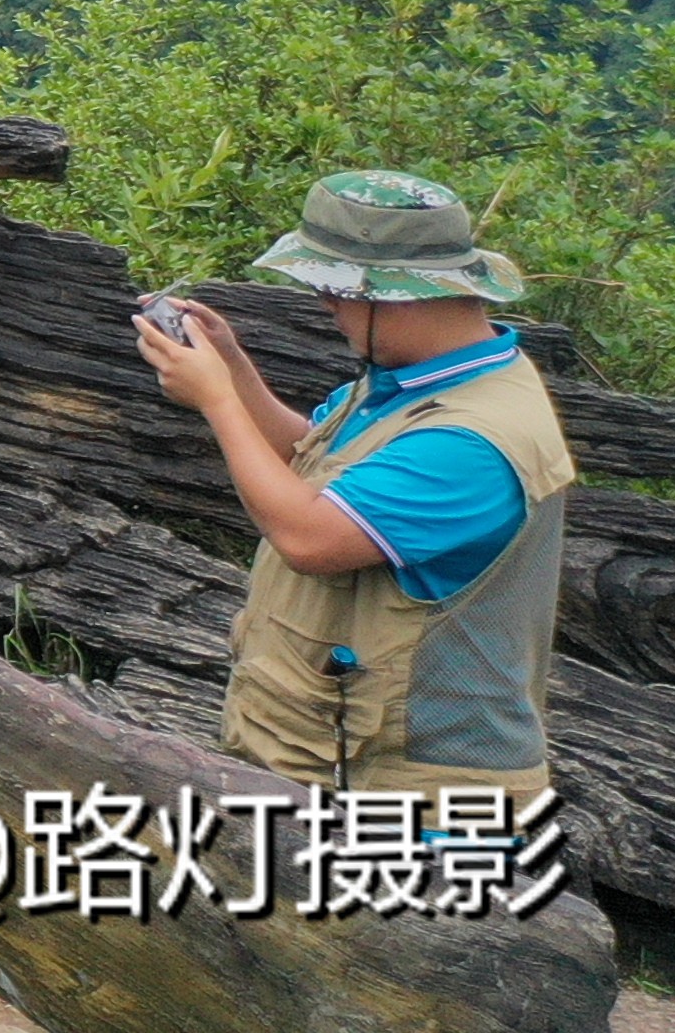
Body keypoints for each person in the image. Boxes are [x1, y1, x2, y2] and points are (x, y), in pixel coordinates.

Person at [133, 168, 572, 796]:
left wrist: (217, 403)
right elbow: (308, 461)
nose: (325, 304)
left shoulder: (472, 440)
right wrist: (232, 368)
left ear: (394, 294)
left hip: (416, 798)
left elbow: (310, 538)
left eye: (335, 288)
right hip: (326, 756)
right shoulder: (416, 380)